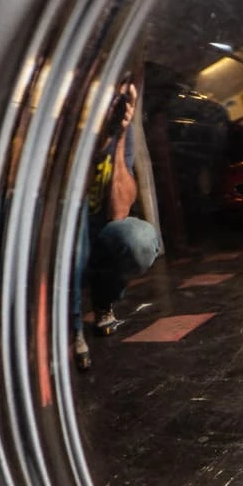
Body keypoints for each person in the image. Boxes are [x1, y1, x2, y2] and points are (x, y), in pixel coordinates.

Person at [73, 81, 161, 368]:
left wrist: (119, 135)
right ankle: (71, 328)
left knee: (137, 239)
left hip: (98, 230)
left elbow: (119, 210)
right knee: (75, 234)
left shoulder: (123, 131)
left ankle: (103, 302)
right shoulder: (68, 129)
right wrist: (94, 144)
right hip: (63, 235)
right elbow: (68, 199)